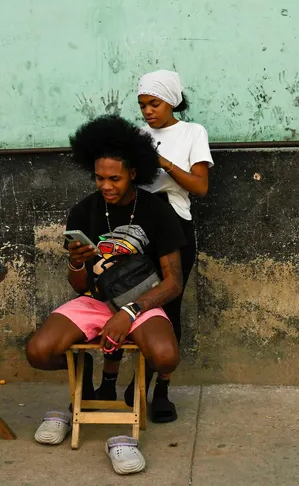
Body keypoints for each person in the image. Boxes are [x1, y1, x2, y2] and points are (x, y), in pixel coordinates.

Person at [25, 115, 185, 475]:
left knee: (165, 358)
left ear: (133, 173)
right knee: (38, 352)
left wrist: (130, 312)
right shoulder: (84, 211)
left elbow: (173, 282)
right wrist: (76, 262)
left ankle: (119, 389)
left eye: (115, 179)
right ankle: (82, 376)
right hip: (97, 301)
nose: (106, 186)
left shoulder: (156, 210)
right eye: (100, 178)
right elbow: (79, 286)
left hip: (141, 302)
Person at [96, 70, 213, 424]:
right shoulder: (135, 136)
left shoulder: (192, 132)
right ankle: (108, 383)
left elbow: (200, 187)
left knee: (168, 305)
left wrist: (161, 161)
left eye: (154, 103)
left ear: (172, 101)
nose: (147, 111)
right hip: (134, 224)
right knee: (118, 297)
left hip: (174, 223)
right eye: (142, 105)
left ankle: (158, 389)